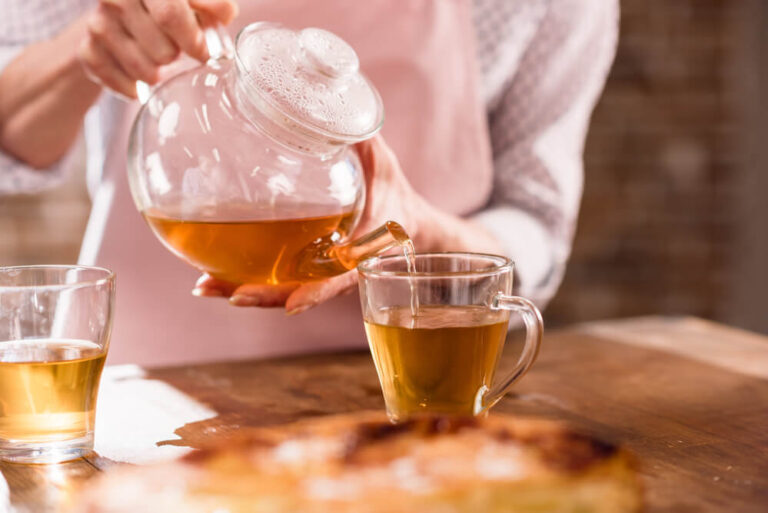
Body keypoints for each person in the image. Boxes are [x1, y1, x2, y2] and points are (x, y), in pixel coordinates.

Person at [0, 0, 618, 366]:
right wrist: (87, 44)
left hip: (409, 396)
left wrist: (424, 235)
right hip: (148, 392)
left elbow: (537, 223)